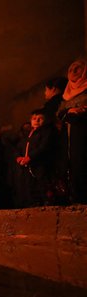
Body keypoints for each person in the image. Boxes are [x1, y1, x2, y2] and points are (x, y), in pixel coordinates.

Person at [14, 109, 57, 206]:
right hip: (27, 166)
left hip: (39, 164)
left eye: (40, 119)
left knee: (42, 186)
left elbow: (43, 147)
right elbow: (19, 147)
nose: (36, 121)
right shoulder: (28, 134)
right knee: (29, 188)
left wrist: (30, 157)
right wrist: (18, 157)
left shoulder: (46, 132)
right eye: (34, 119)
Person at [58, 59, 87, 204]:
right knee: (71, 162)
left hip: (83, 130)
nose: (74, 72)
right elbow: (60, 112)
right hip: (69, 132)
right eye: (71, 70)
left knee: (82, 159)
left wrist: (81, 110)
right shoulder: (66, 92)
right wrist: (69, 111)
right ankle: (75, 197)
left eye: (78, 69)